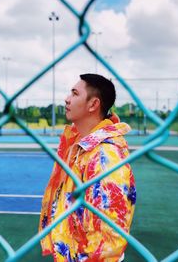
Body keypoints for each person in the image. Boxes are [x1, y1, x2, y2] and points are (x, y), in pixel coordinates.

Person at [39, 74, 136, 262]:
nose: (67, 99)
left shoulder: (105, 156)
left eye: (75, 94)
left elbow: (109, 238)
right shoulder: (78, 143)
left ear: (93, 105)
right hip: (73, 252)